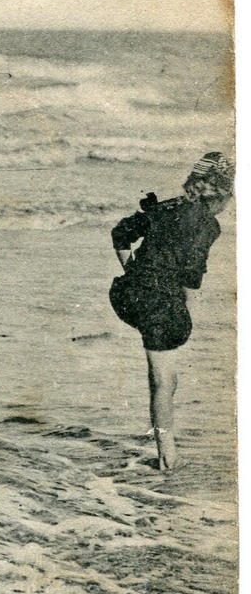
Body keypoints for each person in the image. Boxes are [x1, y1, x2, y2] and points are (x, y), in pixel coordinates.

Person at [108, 151, 233, 470]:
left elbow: (120, 234)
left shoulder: (166, 206)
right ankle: (167, 457)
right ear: (220, 193)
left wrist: (133, 271)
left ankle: (165, 448)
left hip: (127, 295)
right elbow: (192, 276)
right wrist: (185, 313)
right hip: (159, 304)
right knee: (163, 381)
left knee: (166, 376)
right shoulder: (208, 225)